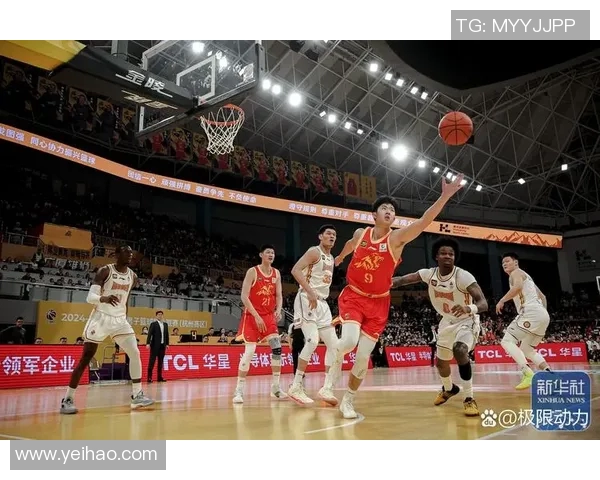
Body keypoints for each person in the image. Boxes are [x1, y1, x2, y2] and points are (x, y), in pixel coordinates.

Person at [322, 174, 465, 419]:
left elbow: (423, 221)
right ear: (374, 214)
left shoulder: (396, 239)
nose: (389, 211)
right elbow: (349, 244)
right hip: (354, 296)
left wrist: (444, 196)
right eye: (384, 208)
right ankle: (329, 381)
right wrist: (342, 257)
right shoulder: (361, 234)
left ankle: (348, 401)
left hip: (379, 302)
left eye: (392, 210)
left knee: (363, 357)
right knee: (349, 341)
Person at [392, 237, 488, 417]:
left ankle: (469, 398)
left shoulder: (463, 276)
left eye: (451, 254)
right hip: (446, 321)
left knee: (460, 349)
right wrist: (381, 282)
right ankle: (449, 388)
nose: (448, 256)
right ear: (436, 256)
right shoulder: (429, 274)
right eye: (443, 253)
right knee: (441, 363)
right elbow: (401, 280)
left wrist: (468, 308)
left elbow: (483, 303)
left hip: (467, 320)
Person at [60, 246, 154, 414]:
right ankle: (68, 399)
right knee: (86, 358)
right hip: (100, 318)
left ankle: (137, 395)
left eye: (131, 252)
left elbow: (126, 300)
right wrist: (104, 298)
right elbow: (90, 298)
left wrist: (124, 317)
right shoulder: (105, 271)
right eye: (126, 252)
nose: (130, 254)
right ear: (116, 254)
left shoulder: (133, 276)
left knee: (135, 353)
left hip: (120, 320)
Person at [288, 224, 339, 405]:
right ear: (320, 236)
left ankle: (326, 388)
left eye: (334, 235)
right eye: (328, 234)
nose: (332, 236)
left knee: (335, 346)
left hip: (323, 303)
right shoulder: (313, 252)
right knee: (312, 341)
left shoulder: (331, 258)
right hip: (307, 298)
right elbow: (295, 270)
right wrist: (310, 292)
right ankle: (296, 386)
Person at [233, 244, 286, 403]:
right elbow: (244, 296)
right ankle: (238, 391)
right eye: (268, 252)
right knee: (250, 352)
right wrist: (256, 316)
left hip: (268, 316)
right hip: (252, 316)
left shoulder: (276, 273)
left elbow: (279, 295)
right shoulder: (253, 271)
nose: (271, 254)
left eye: (273, 252)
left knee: (277, 348)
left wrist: (278, 310)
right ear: (261, 255)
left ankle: (275, 388)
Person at [496, 252, 551, 390]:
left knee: (507, 341)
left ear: (516, 262)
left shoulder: (516, 273)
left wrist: (502, 300)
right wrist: (542, 314)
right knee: (527, 349)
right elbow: (543, 297)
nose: (504, 264)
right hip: (542, 315)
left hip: (530, 312)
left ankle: (527, 373)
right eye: (502, 263)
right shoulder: (528, 277)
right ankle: (550, 374)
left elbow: (517, 287)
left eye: (507, 261)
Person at [146, 310, 169, 383]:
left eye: (161, 314)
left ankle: (159, 377)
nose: (160, 316)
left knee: (160, 362)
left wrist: (167, 344)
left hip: (162, 346)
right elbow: (149, 334)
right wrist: (148, 343)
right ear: (156, 316)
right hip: (154, 346)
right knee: (152, 361)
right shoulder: (153, 324)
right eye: (158, 314)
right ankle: (149, 377)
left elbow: (166, 335)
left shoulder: (165, 324)